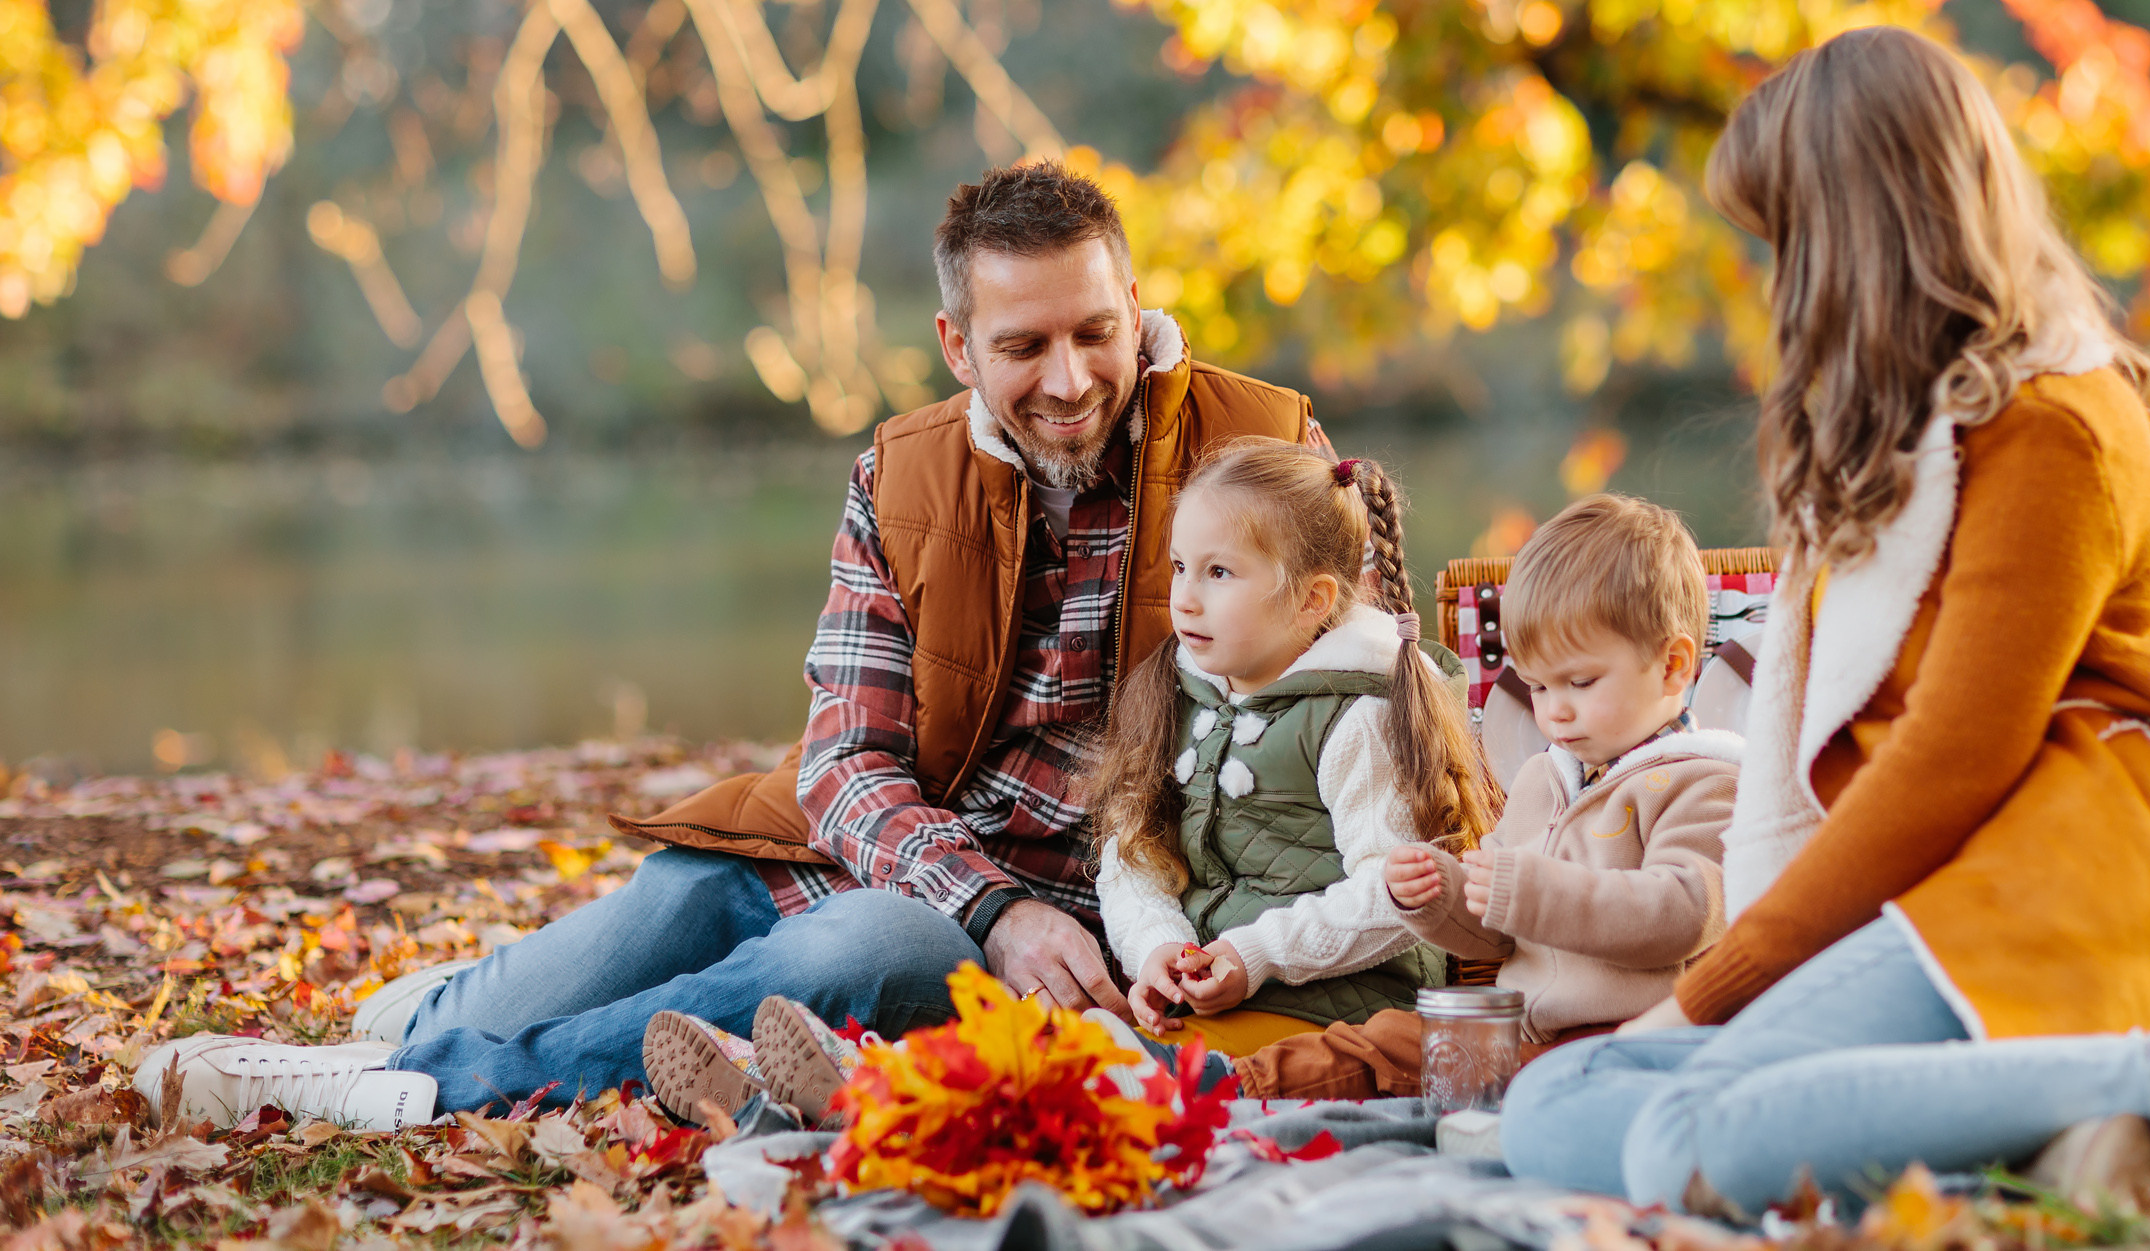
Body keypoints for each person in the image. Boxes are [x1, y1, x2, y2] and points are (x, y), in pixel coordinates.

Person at [138, 162, 1324, 1129]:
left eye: (1095, 333)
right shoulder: (900, 475)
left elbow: (1361, 709)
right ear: (959, 347)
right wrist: (992, 906)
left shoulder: (1264, 450)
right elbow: (849, 766)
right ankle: (430, 1019)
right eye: (1024, 347)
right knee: (686, 891)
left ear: (1134, 309)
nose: (1070, 381)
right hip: (910, 864)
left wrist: (1059, 927)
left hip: (1082, 917)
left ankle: (425, 1084)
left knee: (851, 947)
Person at [1498, 27, 2150, 1213]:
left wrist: (1717, 982)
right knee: (1545, 1108)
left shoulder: (2053, 429)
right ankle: (2063, 1131)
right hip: (1932, 886)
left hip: (2078, 873)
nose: (1773, 282)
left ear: (1857, 236)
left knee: (1678, 1132)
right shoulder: (1899, 451)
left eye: (1785, 241)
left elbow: (1952, 759)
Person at [1232, 494, 1743, 1100]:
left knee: (1431, 1055)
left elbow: (1681, 915)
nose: (1554, 710)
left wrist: (1528, 891)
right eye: (1539, 686)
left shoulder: (1703, 782)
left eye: (1580, 682)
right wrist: (1437, 897)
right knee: (1395, 1037)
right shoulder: (1545, 779)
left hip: (1637, 1045)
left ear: (1673, 665)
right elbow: (1497, 934)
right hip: (1525, 1034)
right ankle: (1229, 1084)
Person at [1083, 443, 1498, 1057]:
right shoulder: (1175, 691)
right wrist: (1156, 949)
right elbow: (1132, 855)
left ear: (1312, 600)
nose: (1185, 598)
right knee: (1071, 1060)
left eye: (1218, 572)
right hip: (1212, 999)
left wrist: (1256, 956)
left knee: (1131, 1079)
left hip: (1337, 1017)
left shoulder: (1359, 716)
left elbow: (1395, 894)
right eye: (1178, 567)